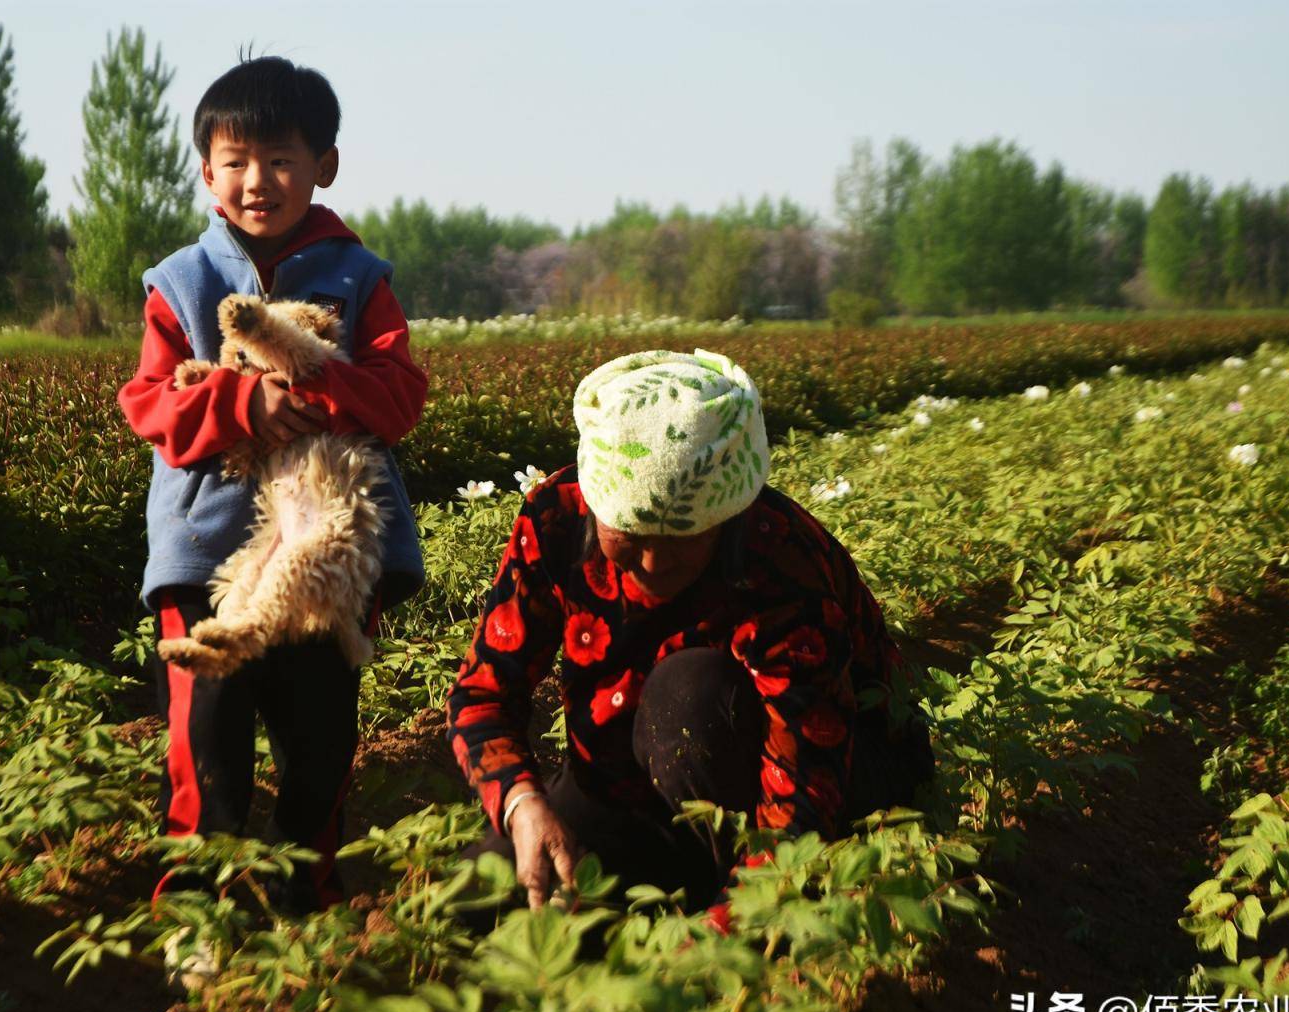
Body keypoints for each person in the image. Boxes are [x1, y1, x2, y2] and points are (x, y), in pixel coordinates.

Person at [446, 350, 933, 924]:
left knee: (690, 694)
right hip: (634, 776)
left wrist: (713, 947)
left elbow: (804, 800)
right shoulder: (553, 519)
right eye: (628, 534)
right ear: (598, 501)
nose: (651, 562)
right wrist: (523, 803)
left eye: (681, 538)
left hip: (827, 775)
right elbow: (483, 696)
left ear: (729, 515)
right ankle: (668, 880)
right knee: (480, 903)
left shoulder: (783, 564)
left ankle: (710, 891)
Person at [118, 56, 427, 919]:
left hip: (327, 554)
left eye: (283, 159)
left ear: (324, 164)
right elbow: (149, 403)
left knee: (318, 745)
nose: (259, 181)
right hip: (207, 556)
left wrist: (315, 381)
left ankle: (309, 903)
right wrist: (244, 399)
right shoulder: (179, 282)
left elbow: (400, 397)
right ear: (208, 170)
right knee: (205, 741)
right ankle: (197, 913)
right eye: (237, 160)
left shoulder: (361, 279)